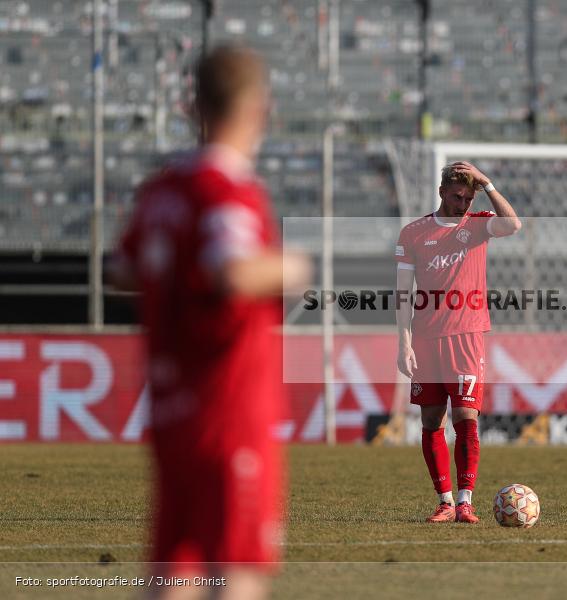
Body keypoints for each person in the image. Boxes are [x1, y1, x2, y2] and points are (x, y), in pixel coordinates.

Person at [112, 45, 309, 599]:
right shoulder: (229, 191)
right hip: (231, 414)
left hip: (172, 411)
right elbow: (235, 269)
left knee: (176, 569)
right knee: (237, 572)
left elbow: (123, 269)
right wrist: (293, 266)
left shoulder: (161, 191)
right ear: (257, 109)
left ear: (192, 104)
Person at [395, 162, 521, 523]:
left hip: (466, 337)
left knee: (466, 418)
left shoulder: (478, 224)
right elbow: (403, 293)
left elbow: (513, 224)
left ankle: (466, 501)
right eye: (456, 196)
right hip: (425, 337)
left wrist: (488, 184)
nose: (462, 203)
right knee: (432, 420)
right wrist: (403, 341)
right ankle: (445, 501)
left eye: (468, 197)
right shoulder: (413, 233)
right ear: (441, 192)